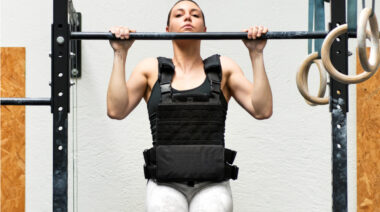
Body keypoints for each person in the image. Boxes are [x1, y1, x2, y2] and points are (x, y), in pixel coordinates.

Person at [107, 0, 272, 211]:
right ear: (167, 30)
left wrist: (256, 53)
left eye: (195, 14)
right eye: (179, 14)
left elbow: (262, 109)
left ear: (204, 29)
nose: (187, 17)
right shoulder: (150, 69)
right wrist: (120, 53)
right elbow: (116, 110)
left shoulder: (223, 68)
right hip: (165, 185)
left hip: (212, 184)